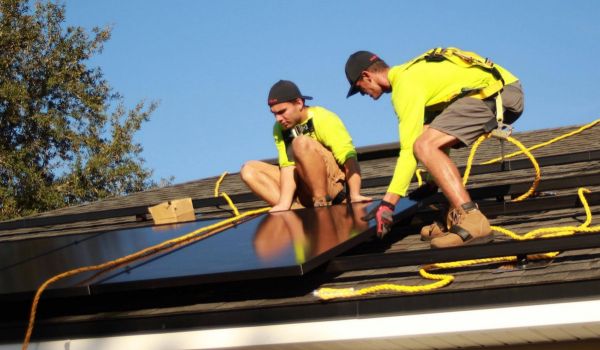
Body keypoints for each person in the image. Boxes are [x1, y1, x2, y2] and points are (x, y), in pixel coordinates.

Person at [344, 47, 524, 248]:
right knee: (426, 136)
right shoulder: (414, 76)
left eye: (359, 89)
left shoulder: (405, 84)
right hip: (498, 90)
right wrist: (431, 183)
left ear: (366, 76)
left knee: (422, 145)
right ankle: (452, 215)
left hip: (495, 94)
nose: (363, 94)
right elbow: (434, 128)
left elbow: (409, 149)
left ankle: (473, 219)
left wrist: (388, 204)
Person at [241, 80, 370, 212]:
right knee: (249, 169)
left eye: (282, 112)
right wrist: (283, 204)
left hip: (331, 187)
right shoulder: (280, 129)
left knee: (300, 142)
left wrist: (354, 194)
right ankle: (295, 211)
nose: (278, 119)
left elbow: (348, 156)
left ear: (299, 103)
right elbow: (287, 166)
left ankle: (322, 202)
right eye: (274, 114)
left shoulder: (322, 117)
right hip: (304, 191)